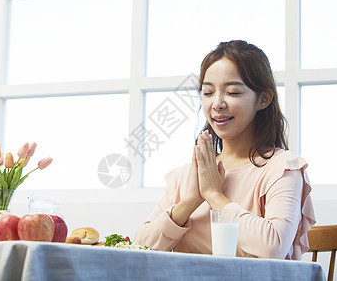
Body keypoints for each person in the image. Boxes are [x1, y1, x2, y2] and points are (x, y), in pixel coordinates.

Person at [134, 40, 315, 260]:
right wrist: (191, 199)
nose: (217, 103)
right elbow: (140, 248)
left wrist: (214, 196)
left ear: (264, 99)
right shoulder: (188, 175)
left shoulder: (282, 168)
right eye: (208, 92)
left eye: (233, 92)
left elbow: (273, 247)